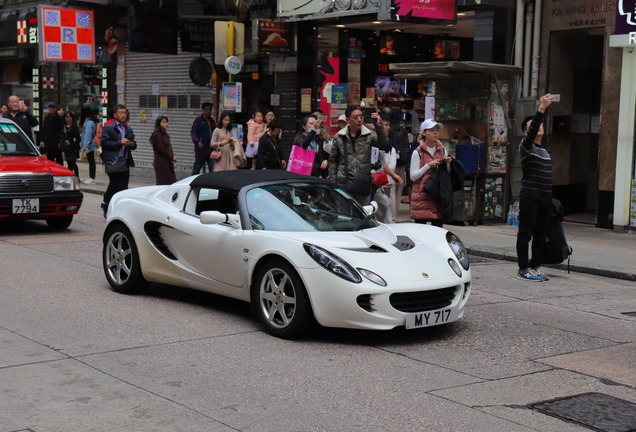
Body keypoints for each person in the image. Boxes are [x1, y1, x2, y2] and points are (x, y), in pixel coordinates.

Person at [516, 93, 558, 282]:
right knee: (525, 234)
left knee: (541, 235)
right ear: (526, 132)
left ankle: (536, 266)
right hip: (530, 197)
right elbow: (533, 131)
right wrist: (541, 109)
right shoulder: (526, 147)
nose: (538, 126)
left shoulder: (544, 150)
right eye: (532, 126)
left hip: (545, 198)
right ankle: (523, 268)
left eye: (540, 123)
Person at [328, 105, 387, 205]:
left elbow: (383, 144)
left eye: (361, 116)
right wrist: (333, 181)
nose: (359, 120)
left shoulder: (369, 135)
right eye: (355, 117)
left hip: (362, 182)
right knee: (344, 215)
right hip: (344, 182)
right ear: (347, 120)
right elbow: (333, 160)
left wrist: (379, 125)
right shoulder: (339, 137)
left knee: (363, 214)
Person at [409, 119, 451, 228]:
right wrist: (428, 166)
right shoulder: (417, 152)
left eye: (437, 130)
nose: (435, 132)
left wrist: (448, 164)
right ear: (424, 133)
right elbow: (413, 177)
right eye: (432, 130)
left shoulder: (442, 151)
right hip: (421, 198)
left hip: (437, 197)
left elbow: (446, 174)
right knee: (421, 231)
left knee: (437, 231)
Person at [101, 104, 137, 219]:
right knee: (115, 185)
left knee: (123, 187)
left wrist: (132, 144)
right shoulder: (108, 128)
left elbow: (133, 146)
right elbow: (104, 143)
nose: (123, 115)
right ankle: (107, 206)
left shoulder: (128, 128)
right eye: (120, 113)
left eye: (125, 113)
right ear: (115, 115)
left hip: (124, 162)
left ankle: (119, 211)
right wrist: (119, 143)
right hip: (113, 162)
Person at [190, 102, 216, 175]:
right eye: (207, 109)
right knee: (196, 170)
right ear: (203, 110)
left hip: (210, 151)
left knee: (213, 171)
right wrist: (197, 142)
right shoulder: (198, 121)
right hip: (200, 151)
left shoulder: (212, 122)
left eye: (210, 110)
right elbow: (193, 133)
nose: (208, 111)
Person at [150, 115, 177, 185]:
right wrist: (171, 157)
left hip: (168, 161)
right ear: (159, 123)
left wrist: (173, 159)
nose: (166, 124)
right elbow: (162, 150)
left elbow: (169, 147)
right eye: (164, 122)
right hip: (161, 162)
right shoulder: (156, 135)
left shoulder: (166, 134)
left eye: (167, 122)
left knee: (171, 182)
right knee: (162, 183)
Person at [79, 107, 98, 184]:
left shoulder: (88, 122)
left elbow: (88, 135)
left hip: (89, 145)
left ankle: (92, 178)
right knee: (91, 160)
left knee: (91, 161)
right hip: (90, 144)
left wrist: (85, 147)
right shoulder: (90, 121)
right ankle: (92, 177)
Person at [61, 111, 81, 179]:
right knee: (69, 163)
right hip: (66, 148)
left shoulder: (74, 127)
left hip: (73, 148)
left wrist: (74, 143)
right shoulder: (64, 127)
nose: (68, 119)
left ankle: (77, 177)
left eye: (69, 117)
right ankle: (70, 176)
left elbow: (78, 137)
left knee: (73, 162)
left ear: (72, 118)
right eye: (66, 117)